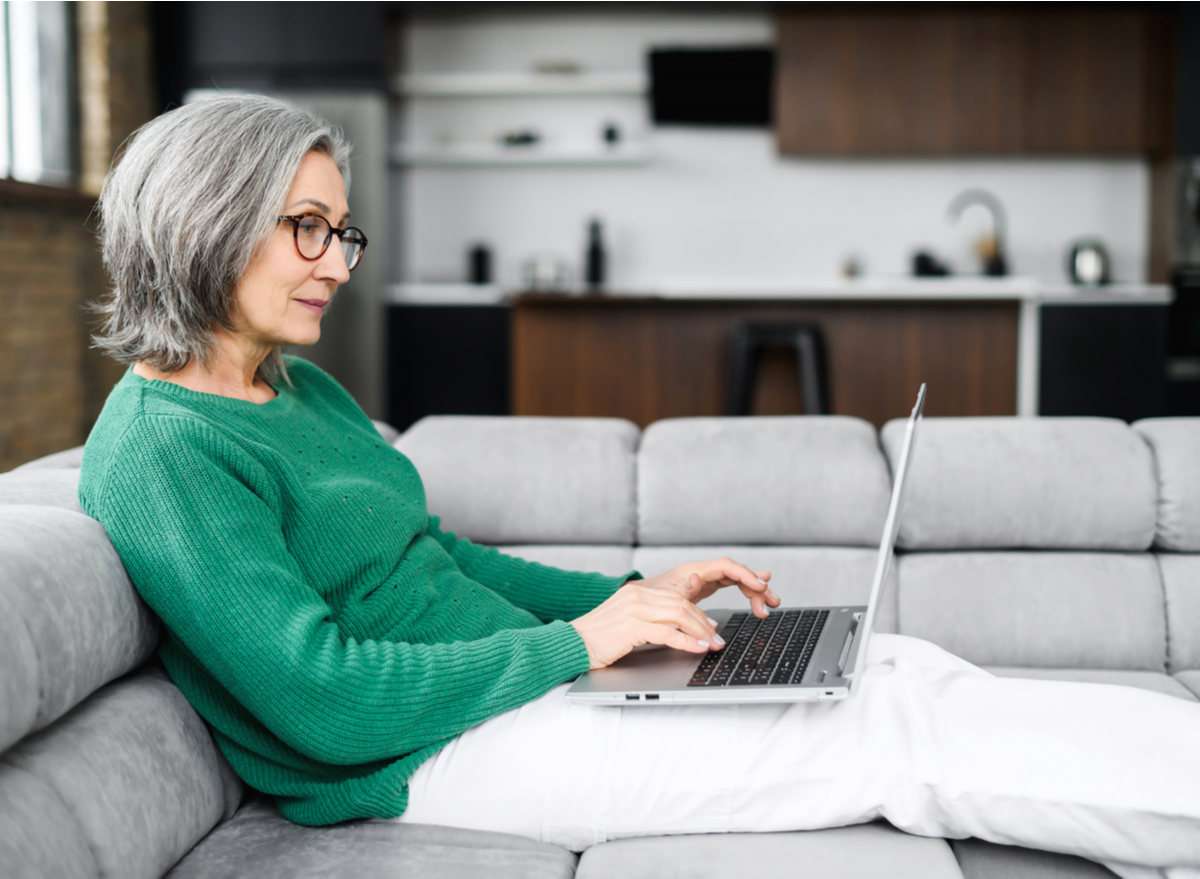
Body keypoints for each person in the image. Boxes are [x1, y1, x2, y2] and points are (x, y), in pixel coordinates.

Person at [78, 95, 1200, 879]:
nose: (336, 261)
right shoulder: (164, 449)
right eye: (306, 229)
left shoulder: (299, 391)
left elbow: (444, 561)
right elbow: (320, 696)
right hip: (426, 756)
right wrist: (586, 645)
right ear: (205, 220)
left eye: (342, 231)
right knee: (886, 738)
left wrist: (630, 599)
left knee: (898, 664)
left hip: (512, 693)